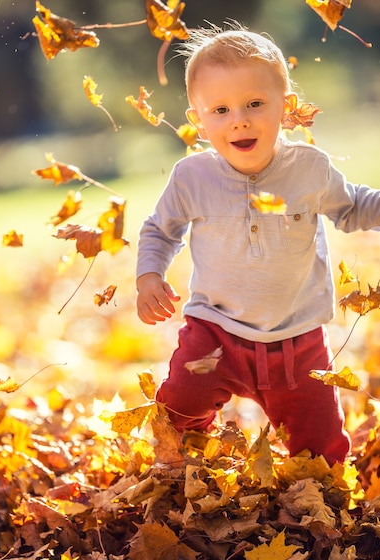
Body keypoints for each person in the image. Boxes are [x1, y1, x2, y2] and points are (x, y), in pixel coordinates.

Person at [136, 23, 380, 465]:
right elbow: (160, 229)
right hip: (213, 333)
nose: (240, 119)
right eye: (221, 109)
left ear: (285, 108)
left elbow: (354, 207)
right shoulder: (192, 178)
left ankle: (323, 508)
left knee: (320, 449)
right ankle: (188, 465)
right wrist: (149, 274)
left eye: (254, 104)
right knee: (177, 409)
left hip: (297, 340)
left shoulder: (309, 168)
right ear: (197, 120)